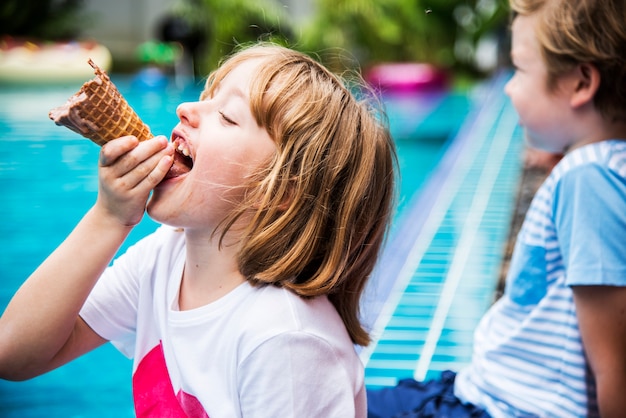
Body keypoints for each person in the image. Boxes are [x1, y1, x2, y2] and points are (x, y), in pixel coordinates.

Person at [0, 43, 397, 417]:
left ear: (280, 189)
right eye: (206, 95)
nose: (186, 107)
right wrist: (108, 218)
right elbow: (14, 354)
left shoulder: (286, 343)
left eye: (226, 115)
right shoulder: (163, 259)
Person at [367, 0, 626, 416]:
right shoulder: (598, 169)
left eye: (521, 70)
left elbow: (615, 366)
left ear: (581, 84)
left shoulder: (589, 182)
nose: (508, 87)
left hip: (497, 407)